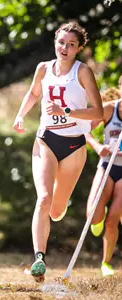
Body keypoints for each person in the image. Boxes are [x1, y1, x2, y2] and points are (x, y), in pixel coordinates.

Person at [13, 22, 103, 282]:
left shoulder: (83, 72)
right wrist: (21, 115)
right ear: (55, 42)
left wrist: (66, 112)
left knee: (55, 208)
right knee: (43, 199)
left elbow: (97, 112)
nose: (64, 48)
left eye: (71, 44)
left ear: (79, 48)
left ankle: (58, 207)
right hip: (46, 139)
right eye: (61, 42)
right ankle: (39, 259)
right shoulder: (43, 68)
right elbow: (33, 93)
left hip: (74, 144)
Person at [86, 77, 122, 277]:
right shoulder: (109, 109)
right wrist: (99, 147)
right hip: (107, 165)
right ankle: (99, 211)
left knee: (112, 220)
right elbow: (86, 131)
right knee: (93, 215)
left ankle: (106, 263)